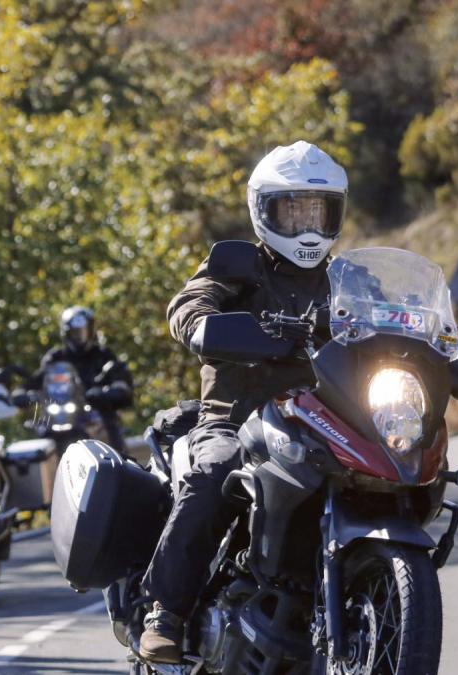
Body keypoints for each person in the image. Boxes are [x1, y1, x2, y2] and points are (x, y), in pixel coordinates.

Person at [138, 140, 348, 663]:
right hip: (237, 420)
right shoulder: (238, 266)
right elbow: (190, 304)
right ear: (265, 210)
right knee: (215, 473)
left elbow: (401, 319)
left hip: (326, 422)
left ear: (335, 212)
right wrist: (199, 323)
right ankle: (165, 612)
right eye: (293, 209)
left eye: (316, 210)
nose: (305, 224)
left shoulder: (350, 280)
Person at [18, 306, 134, 451]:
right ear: (66, 333)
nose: (79, 336)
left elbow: (120, 381)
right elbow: (37, 379)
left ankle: (119, 467)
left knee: (112, 436)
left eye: (83, 332)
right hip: (60, 417)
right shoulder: (55, 357)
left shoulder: (104, 355)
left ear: (91, 331)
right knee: (39, 440)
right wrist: (23, 394)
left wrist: (108, 392)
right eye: (75, 332)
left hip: (96, 415)